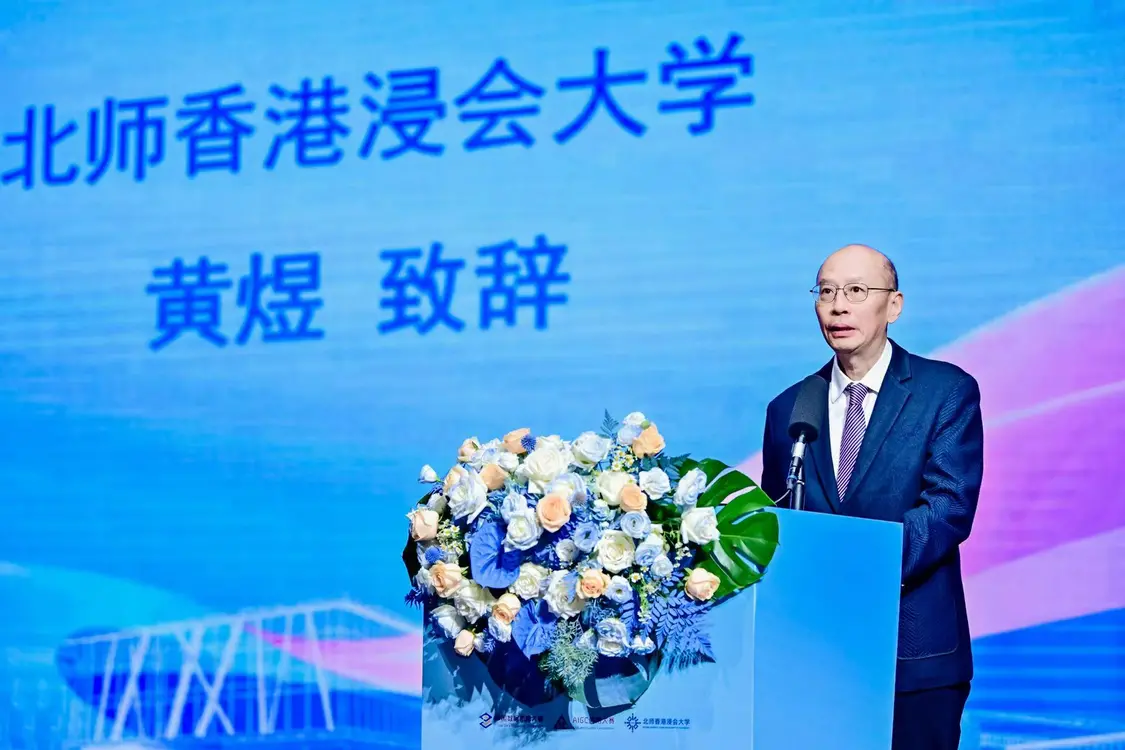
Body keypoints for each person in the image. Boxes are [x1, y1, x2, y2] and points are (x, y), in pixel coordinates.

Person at [760, 244, 984, 750]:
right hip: (813, 656)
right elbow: (777, 521)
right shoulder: (789, 408)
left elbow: (948, 509)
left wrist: (856, 568)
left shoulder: (945, 391)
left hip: (914, 656)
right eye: (826, 292)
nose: (838, 306)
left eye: (857, 291)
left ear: (894, 305)